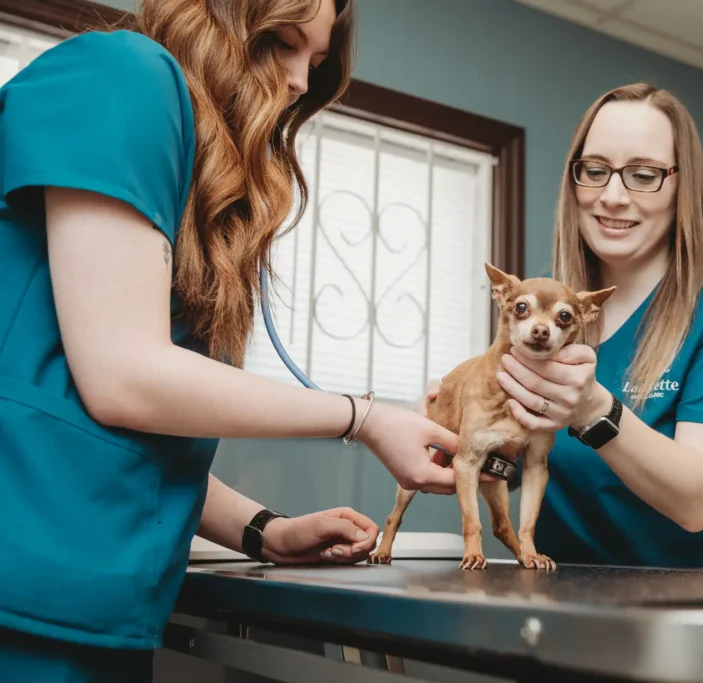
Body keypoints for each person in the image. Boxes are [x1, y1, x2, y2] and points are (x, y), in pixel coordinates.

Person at [0, 0, 463, 679]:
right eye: (283, 44)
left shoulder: (182, 167)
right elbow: (123, 377)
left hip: (93, 608)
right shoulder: (121, 74)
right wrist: (363, 417)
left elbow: (120, 445)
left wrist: (263, 530)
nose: (302, 81)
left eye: (317, 62)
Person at [426, 83, 703, 570]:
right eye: (595, 171)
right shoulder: (545, 320)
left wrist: (594, 409)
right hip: (563, 602)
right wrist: (459, 430)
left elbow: (699, 503)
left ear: (683, 187)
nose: (612, 196)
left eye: (643, 174)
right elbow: (520, 468)